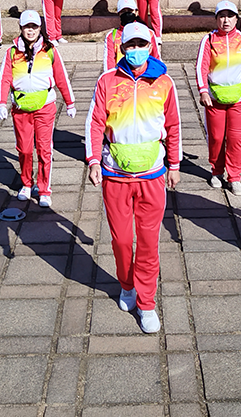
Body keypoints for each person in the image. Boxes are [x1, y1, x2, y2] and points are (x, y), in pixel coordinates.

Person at [86, 22, 181, 334]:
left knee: (150, 243)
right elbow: (95, 121)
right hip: (115, 173)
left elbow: (174, 125)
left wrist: (175, 163)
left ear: (150, 46)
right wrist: (93, 161)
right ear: (122, 48)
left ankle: (148, 303)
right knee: (122, 240)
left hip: (153, 174)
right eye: (130, 45)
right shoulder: (107, 81)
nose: (136, 50)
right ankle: (127, 285)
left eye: (142, 44)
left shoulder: (164, 82)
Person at [0, 11, 76, 207]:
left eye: (34, 26)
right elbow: (4, 78)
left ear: (40, 28)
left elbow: (61, 77)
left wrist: (70, 102)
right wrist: (1, 103)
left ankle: (44, 188)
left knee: (44, 149)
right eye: (26, 27)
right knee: (24, 149)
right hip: (21, 108)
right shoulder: (12, 52)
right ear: (20, 28)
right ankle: (26, 183)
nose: (30, 30)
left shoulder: (50, 50)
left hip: (45, 107)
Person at [196, 0, 241, 196]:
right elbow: (201, 67)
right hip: (214, 98)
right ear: (216, 19)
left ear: (237, 19)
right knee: (217, 138)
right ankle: (216, 171)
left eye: (230, 16)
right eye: (221, 16)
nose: (226, 20)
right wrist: (203, 90)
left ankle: (235, 177)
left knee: (236, 138)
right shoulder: (209, 40)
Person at [103, 0, 160, 73]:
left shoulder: (148, 33)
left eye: (130, 10)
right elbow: (109, 61)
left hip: (146, 75)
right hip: (121, 76)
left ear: (136, 12)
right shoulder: (111, 36)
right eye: (123, 11)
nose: (127, 13)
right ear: (119, 14)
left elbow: (156, 57)